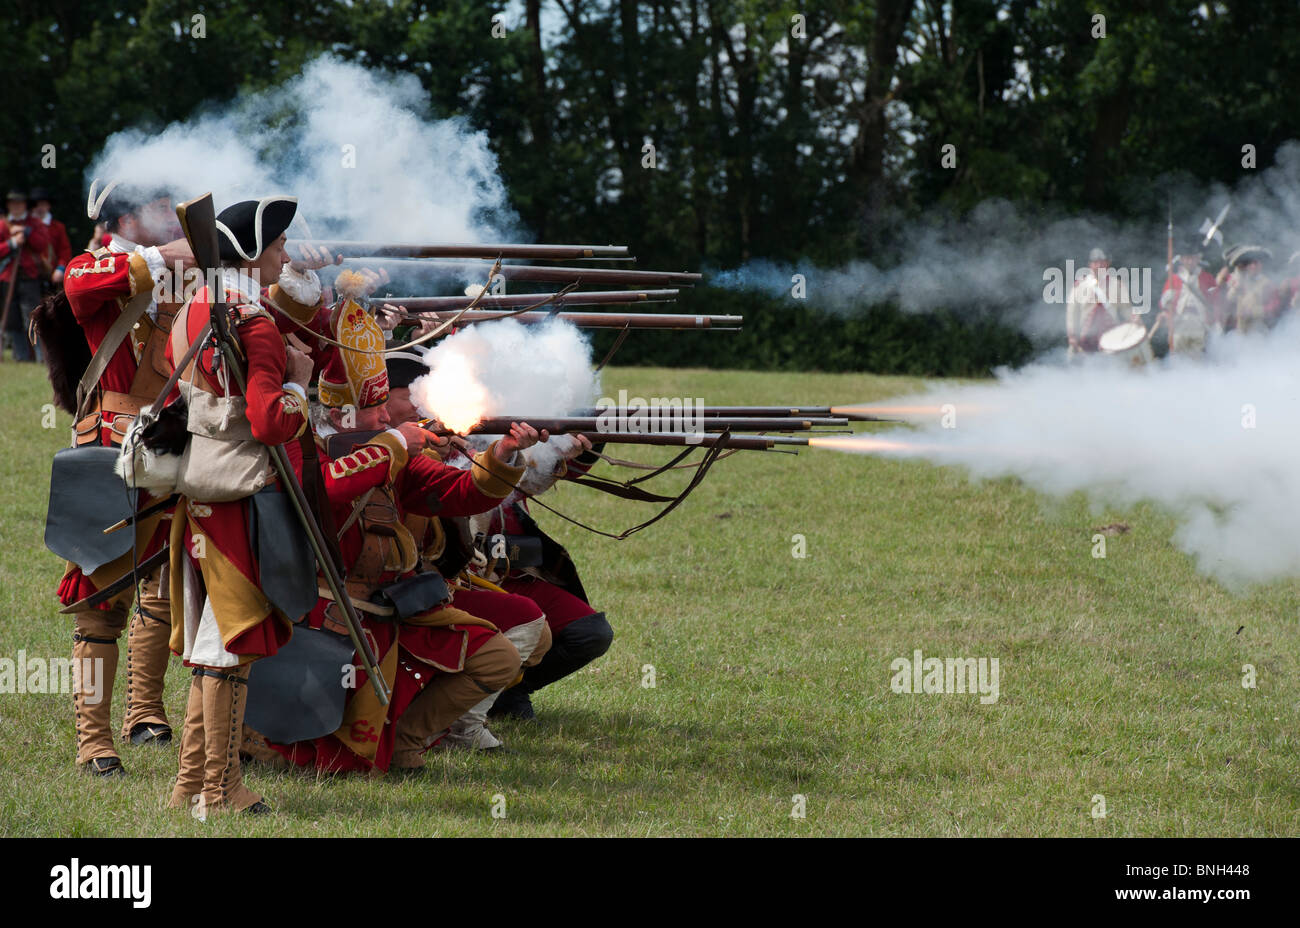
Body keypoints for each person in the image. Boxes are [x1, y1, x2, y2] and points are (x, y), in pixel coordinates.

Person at [251, 309, 543, 772]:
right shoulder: (303, 448)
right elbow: (321, 492)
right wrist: (391, 445)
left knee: (497, 659)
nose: (387, 414)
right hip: (326, 618)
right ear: (342, 414)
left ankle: (409, 742)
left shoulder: (391, 453)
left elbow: (460, 492)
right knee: (335, 757)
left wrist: (503, 454)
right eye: (376, 407)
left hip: (397, 608)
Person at [164, 194, 334, 814]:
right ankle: (220, 788)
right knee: (233, 646)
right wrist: (296, 380)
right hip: (241, 496)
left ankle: (189, 784)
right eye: (279, 244)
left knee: (214, 641)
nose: (285, 254)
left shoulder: (195, 308)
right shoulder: (253, 322)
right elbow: (269, 421)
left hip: (201, 493)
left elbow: (173, 367)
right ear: (254, 252)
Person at [52, 184, 193, 775]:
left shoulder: (185, 275)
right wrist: (175, 256)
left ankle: (145, 712)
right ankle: (93, 741)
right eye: (162, 208)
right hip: (112, 451)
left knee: (161, 591)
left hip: (176, 447)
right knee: (101, 604)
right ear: (128, 217)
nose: (172, 218)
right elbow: (84, 282)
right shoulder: (96, 265)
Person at [382, 351, 552, 750]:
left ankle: (459, 720)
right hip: (394, 594)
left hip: (426, 585)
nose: (422, 404)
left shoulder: (425, 451)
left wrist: (505, 451)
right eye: (410, 394)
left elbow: (469, 494)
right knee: (523, 626)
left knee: (536, 627)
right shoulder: (387, 451)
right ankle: (456, 727)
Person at [1, 188, 52, 361]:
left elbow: (42, 244)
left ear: (25, 205)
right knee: (13, 320)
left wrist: (26, 234)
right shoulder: (2, 226)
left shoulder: (34, 224)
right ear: (8, 205)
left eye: (19, 203)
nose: (16, 207)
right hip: (8, 278)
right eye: (12, 203)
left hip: (29, 278)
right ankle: (21, 357)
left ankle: (40, 356)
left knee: (32, 317)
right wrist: (11, 243)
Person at [1067, 247, 1137, 356]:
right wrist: (1072, 335)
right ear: (1090, 265)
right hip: (1086, 338)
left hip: (1111, 337)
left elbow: (1126, 309)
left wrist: (1135, 321)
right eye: (1095, 263)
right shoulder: (1080, 286)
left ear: (1107, 264)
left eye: (1102, 263)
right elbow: (1072, 313)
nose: (1099, 266)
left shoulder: (1117, 285)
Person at [1159, 236, 1221, 354]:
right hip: (1179, 323)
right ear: (1182, 260)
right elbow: (1164, 304)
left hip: (1200, 322)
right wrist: (1167, 302)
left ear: (1198, 258)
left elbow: (1215, 302)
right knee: (1179, 357)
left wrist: (1216, 322)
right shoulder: (1173, 279)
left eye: (1192, 258)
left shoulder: (1207, 278)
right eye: (1187, 258)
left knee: (1198, 358)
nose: (1190, 261)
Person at [1219, 244, 1281, 334]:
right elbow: (1227, 301)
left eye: (1256, 263)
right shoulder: (1237, 281)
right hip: (1239, 330)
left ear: (1260, 265)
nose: (1253, 266)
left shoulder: (1267, 284)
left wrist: (1255, 311)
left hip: (1258, 330)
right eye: (1250, 264)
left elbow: (1274, 306)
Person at [29, 187, 72, 289]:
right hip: (29, 277)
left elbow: (64, 251)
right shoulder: (24, 226)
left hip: (52, 276)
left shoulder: (58, 227)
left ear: (48, 206)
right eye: (36, 205)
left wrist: (60, 269)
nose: (39, 208)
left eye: (43, 204)